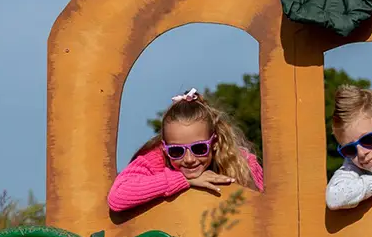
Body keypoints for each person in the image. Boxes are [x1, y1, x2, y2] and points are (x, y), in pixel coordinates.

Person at [107, 88, 263, 212]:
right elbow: (117, 196)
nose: (189, 159)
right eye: (176, 151)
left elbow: (269, 205)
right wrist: (183, 180)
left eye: (199, 148)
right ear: (165, 148)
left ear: (214, 142)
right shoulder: (156, 159)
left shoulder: (242, 162)